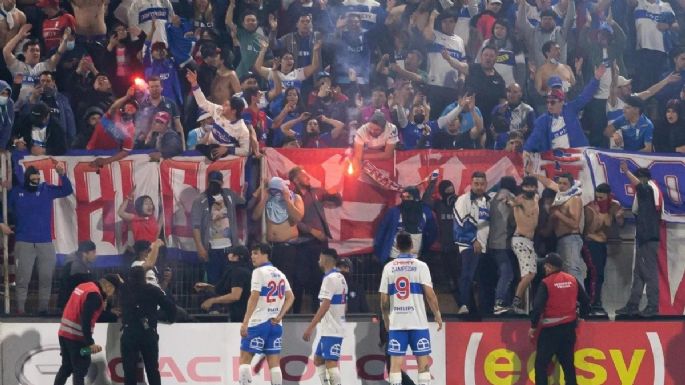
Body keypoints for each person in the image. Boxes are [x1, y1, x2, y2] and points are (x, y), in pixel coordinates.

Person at [379, 232, 442, 385]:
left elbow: (383, 300)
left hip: (397, 324)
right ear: (412, 246)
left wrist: (386, 319)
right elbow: (430, 295)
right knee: (423, 363)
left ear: (397, 247)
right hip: (418, 323)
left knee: (395, 365)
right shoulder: (421, 266)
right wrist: (437, 314)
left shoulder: (389, 267)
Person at [11, 163, 73, 315]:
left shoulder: (46, 189)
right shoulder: (16, 192)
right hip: (23, 241)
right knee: (22, 278)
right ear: (27, 179)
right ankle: (20, 309)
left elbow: (67, 190)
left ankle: (43, 309)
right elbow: (4, 207)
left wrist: (62, 174)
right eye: (33, 179)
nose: (36, 181)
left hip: (45, 241)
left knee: (46, 277)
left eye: (38, 179)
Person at [529, 253, 590, 385]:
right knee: (568, 366)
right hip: (569, 329)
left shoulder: (546, 283)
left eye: (545, 265)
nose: (544, 268)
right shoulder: (572, 279)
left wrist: (533, 326)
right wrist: (583, 316)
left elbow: (537, 307)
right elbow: (585, 300)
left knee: (541, 365)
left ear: (550, 267)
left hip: (550, 331)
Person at [238, 243, 295, 385]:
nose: (252, 256)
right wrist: (281, 315)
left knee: (244, 360)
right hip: (275, 325)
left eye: (256, 253)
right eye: (252, 253)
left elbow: (254, 296)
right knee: (274, 364)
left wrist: (245, 321)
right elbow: (291, 297)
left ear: (266, 254)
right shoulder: (280, 274)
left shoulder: (258, 272)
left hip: (259, 322)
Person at [288, 166, 342, 310]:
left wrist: (335, 194)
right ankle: (296, 313)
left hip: (320, 243)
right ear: (295, 179)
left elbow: (337, 202)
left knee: (319, 278)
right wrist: (312, 231)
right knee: (300, 278)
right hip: (303, 243)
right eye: (304, 175)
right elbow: (293, 219)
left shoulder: (317, 192)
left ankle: (317, 312)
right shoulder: (291, 196)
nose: (308, 177)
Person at [250, 177, 305, 311]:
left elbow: (298, 217)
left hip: (288, 247)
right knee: (271, 282)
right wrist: (265, 198)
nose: (276, 193)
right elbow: (255, 216)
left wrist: (286, 199)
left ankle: (292, 312)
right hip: (271, 247)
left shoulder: (295, 197)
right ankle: (273, 310)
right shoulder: (269, 199)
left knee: (288, 281)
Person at [54, 275, 120, 385]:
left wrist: (108, 312)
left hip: (64, 333)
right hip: (77, 337)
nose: (112, 295)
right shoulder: (95, 296)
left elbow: (82, 309)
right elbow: (86, 319)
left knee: (66, 367)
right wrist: (90, 343)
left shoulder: (85, 286)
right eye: (114, 290)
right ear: (109, 286)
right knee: (80, 368)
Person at [615, 162, 662, 317]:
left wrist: (626, 171)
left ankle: (653, 306)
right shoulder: (649, 194)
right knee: (639, 273)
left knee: (649, 272)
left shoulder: (648, 189)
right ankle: (633, 305)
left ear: (642, 178)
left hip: (648, 237)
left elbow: (640, 187)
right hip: (644, 236)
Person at [119, 266, 177, 385]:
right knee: (152, 370)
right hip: (148, 332)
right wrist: (169, 318)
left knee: (129, 371)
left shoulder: (124, 289)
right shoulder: (153, 290)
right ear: (144, 278)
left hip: (129, 333)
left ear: (129, 277)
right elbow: (170, 307)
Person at [302, 248, 347, 385]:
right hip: (332, 327)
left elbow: (325, 305)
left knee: (331, 363)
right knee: (318, 360)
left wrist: (310, 327)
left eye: (320, 258)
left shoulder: (330, 279)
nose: (318, 260)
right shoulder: (340, 277)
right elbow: (344, 304)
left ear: (326, 259)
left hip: (332, 328)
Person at [192, 170, 246, 285]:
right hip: (212, 250)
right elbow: (195, 226)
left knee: (229, 283)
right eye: (212, 183)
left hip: (229, 248)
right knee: (213, 283)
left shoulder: (229, 194)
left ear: (221, 183)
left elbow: (244, 204)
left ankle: (225, 302)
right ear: (208, 182)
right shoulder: (200, 200)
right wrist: (200, 248)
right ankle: (214, 302)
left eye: (217, 183)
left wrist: (255, 194)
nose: (214, 186)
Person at [532, 172, 585, 286]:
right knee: (565, 272)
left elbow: (575, 224)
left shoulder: (574, 198)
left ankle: (581, 302)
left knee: (572, 270)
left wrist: (557, 214)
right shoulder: (562, 197)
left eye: (564, 184)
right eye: (559, 183)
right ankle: (571, 301)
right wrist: (533, 173)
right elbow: (549, 183)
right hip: (561, 239)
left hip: (571, 238)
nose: (561, 186)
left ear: (571, 185)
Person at [187, 69, 250, 158]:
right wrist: (194, 83)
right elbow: (202, 103)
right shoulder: (218, 110)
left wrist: (227, 149)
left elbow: (245, 151)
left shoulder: (242, 129)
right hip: (207, 149)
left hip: (226, 160)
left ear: (233, 111)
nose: (223, 105)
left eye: (227, 105)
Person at [583, 183, 623, 316]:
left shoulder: (614, 206)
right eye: (597, 197)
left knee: (597, 275)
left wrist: (617, 217)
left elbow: (620, 223)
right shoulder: (590, 207)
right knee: (596, 274)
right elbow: (589, 231)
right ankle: (593, 303)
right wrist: (598, 217)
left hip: (602, 245)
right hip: (591, 243)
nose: (599, 200)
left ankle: (591, 301)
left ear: (608, 196)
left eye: (602, 198)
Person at [453, 171, 490, 315]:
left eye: (482, 184)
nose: (479, 187)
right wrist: (473, 240)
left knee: (478, 278)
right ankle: (463, 305)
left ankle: (476, 308)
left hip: (482, 245)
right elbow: (459, 223)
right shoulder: (463, 200)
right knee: (467, 276)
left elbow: (483, 224)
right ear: (471, 183)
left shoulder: (486, 200)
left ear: (486, 184)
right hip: (468, 245)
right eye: (476, 184)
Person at [374, 186, 437, 263]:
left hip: (416, 256)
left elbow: (432, 231)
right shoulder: (394, 212)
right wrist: (378, 251)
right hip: (394, 256)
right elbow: (381, 231)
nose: (405, 199)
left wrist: (425, 247)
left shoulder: (425, 212)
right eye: (403, 197)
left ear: (415, 197)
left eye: (408, 197)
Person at [509, 176, 541, 314]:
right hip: (520, 240)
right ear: (522, 187)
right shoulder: (519, 200)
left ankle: (523, 305)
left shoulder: (536, 198)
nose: (529, 189)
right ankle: (515, 303)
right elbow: (511, 202)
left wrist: (532, 172)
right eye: (526, 186)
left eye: (532, 186)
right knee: (529, 274)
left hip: (529, 241)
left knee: (528, 274)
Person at [196, 245, 251, 321]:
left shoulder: (238, 272)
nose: (228, 255)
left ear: (237, 257)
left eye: (231, 253)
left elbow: (235, 296)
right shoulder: (244, 269)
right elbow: (225, 290)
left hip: (242, 316)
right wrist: (207, 287)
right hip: (241, 314)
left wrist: (212, 301)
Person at [487, 177, 516, 315]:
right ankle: (499, 302)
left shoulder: (493, 199)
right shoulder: (511, 199)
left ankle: (505, 304)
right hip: (503, 242)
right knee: (507, 273)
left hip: (492, 241)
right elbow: (513, 221)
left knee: (502, 273)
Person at [57, 241, 97, 309]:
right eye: (93, 252)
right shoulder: (77, 266)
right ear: (84, 253)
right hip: (72, 305)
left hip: (69, 303)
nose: (95, 255)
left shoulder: (76, 261)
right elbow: (89, 286)